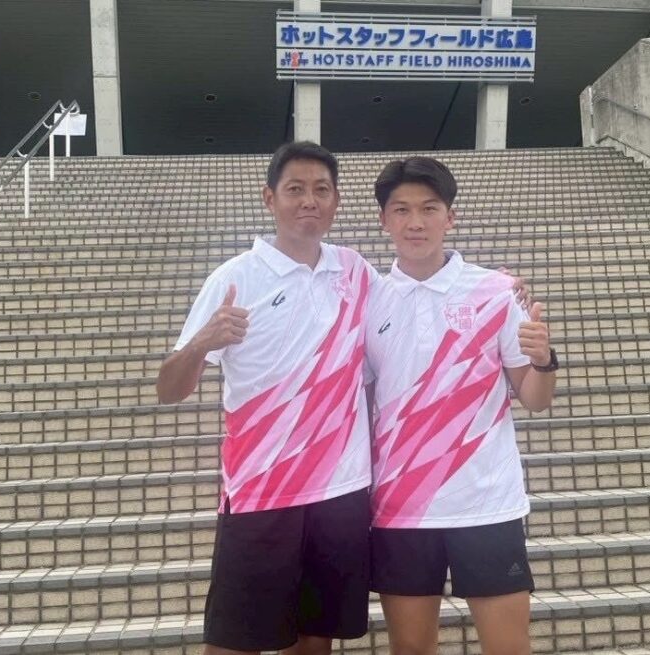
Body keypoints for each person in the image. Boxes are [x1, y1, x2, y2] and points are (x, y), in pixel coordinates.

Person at [157, 141, 374, 655]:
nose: (309, 201)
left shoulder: (356, 271)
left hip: (340, 493)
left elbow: (411, 302)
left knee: (315, 641)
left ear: (336, 201)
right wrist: (202, 343)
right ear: (269, 198)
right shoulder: (235, 277)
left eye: (321, 190)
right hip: (261, 492)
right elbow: (169, 390)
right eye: (295, 189)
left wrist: (495, 288)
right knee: (233, 643)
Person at [364, 156, 558, 655]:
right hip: (401, 508)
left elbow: (534, 399)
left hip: (486, 502)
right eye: (401, 210)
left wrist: (544, 361)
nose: (416, 222)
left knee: (509, 648)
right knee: (411, 650)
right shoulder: (369, 301)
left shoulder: (494, 292)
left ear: (450, 217)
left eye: (429, 208)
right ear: (384, 220)